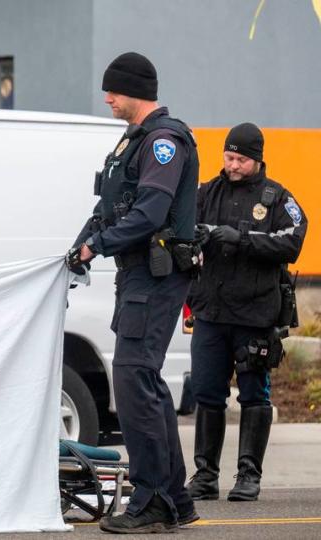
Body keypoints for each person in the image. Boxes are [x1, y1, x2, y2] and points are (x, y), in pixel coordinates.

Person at [65, 52, 200, 533]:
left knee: (133, 380)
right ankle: (175, 497)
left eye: (113, 92)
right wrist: (79, 246)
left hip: (157, 275)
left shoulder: (164, 142)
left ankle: (150, 499)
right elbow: (110, 206)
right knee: (146, 384)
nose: (107, 99)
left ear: (135, 91)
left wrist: (95, 247)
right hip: (138, 276)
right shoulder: (132, 141)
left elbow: (148, 213)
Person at [185, 123, 307, 503]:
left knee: (254, 395)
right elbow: (182, 228)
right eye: (228, 156)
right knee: (207, 394)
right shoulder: (207, 192)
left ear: (257, 159)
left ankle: (248, 475)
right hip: (211, 313)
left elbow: (293, 240)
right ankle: (205, 475)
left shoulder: (276, 198)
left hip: (255, 316)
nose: (233, 165)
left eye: (240, 159)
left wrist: (241, 239)